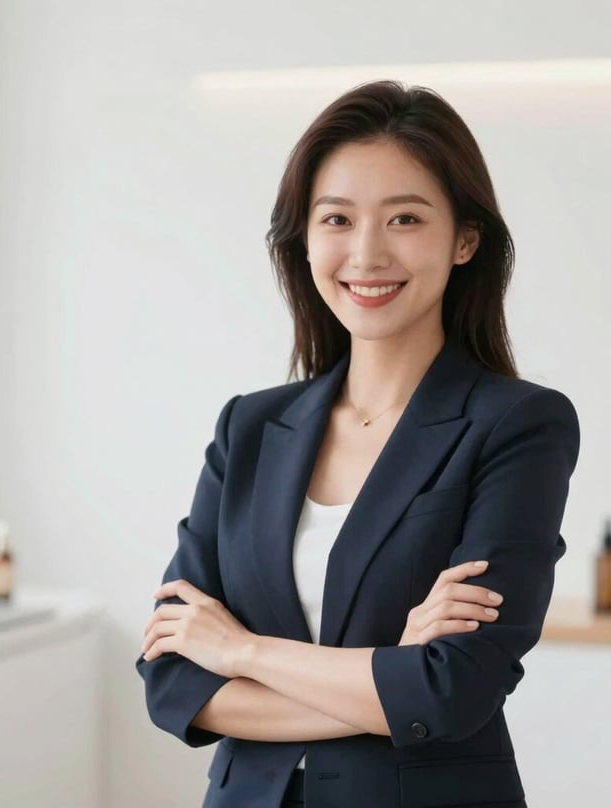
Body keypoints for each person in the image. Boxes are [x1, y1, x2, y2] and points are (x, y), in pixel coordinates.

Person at [135, 79, 580, 808]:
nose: (367, 253)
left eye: (405, 218)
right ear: (305, 240)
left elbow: (454, 688)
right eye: (337, 219)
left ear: (464, 239)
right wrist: (393, 673)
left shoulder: (518, 425)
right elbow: (173, 680)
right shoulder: (248, 428)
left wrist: (243, 653)